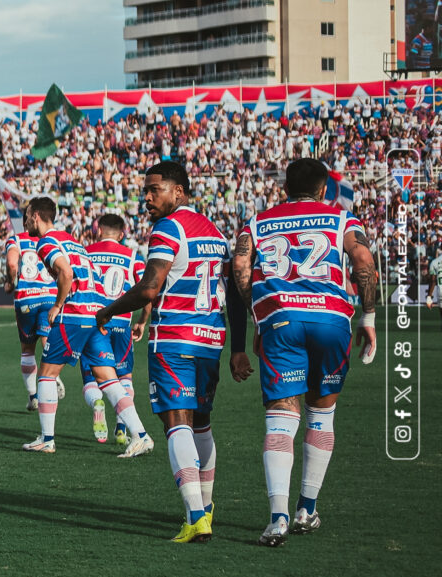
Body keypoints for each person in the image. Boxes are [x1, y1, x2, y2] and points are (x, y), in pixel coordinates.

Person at [230, 158, 377, 547]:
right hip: (331, 321)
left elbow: (240, 265)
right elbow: (362, 260)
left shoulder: (258, 223)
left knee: (281, 417)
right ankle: (305, 509)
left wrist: (259, 308)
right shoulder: (341, 218)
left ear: (285, 189)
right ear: (324, 189)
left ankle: (277, 518)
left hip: (282, 319)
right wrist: (370, 318)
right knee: (322, 412)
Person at [98, 161, 227, 542]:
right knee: (201, 422)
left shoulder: (169, 227)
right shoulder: (215, 232)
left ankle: (195, 516)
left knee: (177, 423)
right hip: (210, 339)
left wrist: (108, 310)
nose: (147, 197)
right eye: (145, 190)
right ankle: (205, 508)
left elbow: (151, 287)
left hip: (174, 338)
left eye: (156, 189)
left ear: (180, 192)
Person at [23, 197, 151, 456]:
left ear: (36, 216)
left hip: (74, 315)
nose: (25, 222)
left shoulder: (47, 242)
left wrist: (58, 304)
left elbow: (67, 274)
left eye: (27, 216)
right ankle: (141, 435)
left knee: (47, 373)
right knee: (109, 379)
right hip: (95, 315)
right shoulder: (75, 244)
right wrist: (101, 313)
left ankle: (47, 438)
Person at [83, 215, 147, 444]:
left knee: (92, 377)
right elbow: (146, 291)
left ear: (99, 231)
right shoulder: (133, 258)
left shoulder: (86, 253)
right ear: (122, 235)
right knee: (124, 377)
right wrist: (142, 320)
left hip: (94, 324)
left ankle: (97, 402)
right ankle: (122, 427)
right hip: (122, 324)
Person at [4, 221, 57, 410]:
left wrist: (11, 281)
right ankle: (54, 376)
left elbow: (12, 264)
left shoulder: (16, 240)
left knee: (27, 349)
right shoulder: (52, 240)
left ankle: (33, 395)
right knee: (46, 337)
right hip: (50, 295)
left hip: (27, 298)